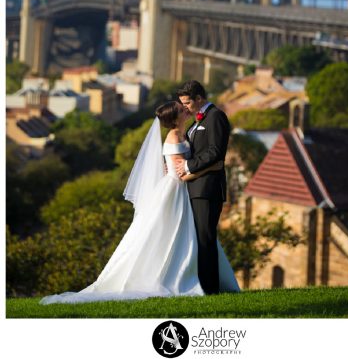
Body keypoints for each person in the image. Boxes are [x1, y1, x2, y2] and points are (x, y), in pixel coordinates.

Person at [40, 101, 238, 305]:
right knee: (172, 232)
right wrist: (207, 170)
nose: (185, 110)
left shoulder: (181, 134)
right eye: (181, 110)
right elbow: (180, 173)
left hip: (178, 189)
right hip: (176, 189)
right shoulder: (174, 136)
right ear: (175, 118)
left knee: (181, 233)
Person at [175, 80, 230, 295]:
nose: (185, 107)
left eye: (187, 103)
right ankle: (200, 284)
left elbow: (216, 151)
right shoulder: (196, 122)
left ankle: (210, 289)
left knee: (205, 239)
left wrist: (187, 165)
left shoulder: (216, 117)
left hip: (207, 189)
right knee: (198, 238)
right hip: (194, 187)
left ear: (199, 98)